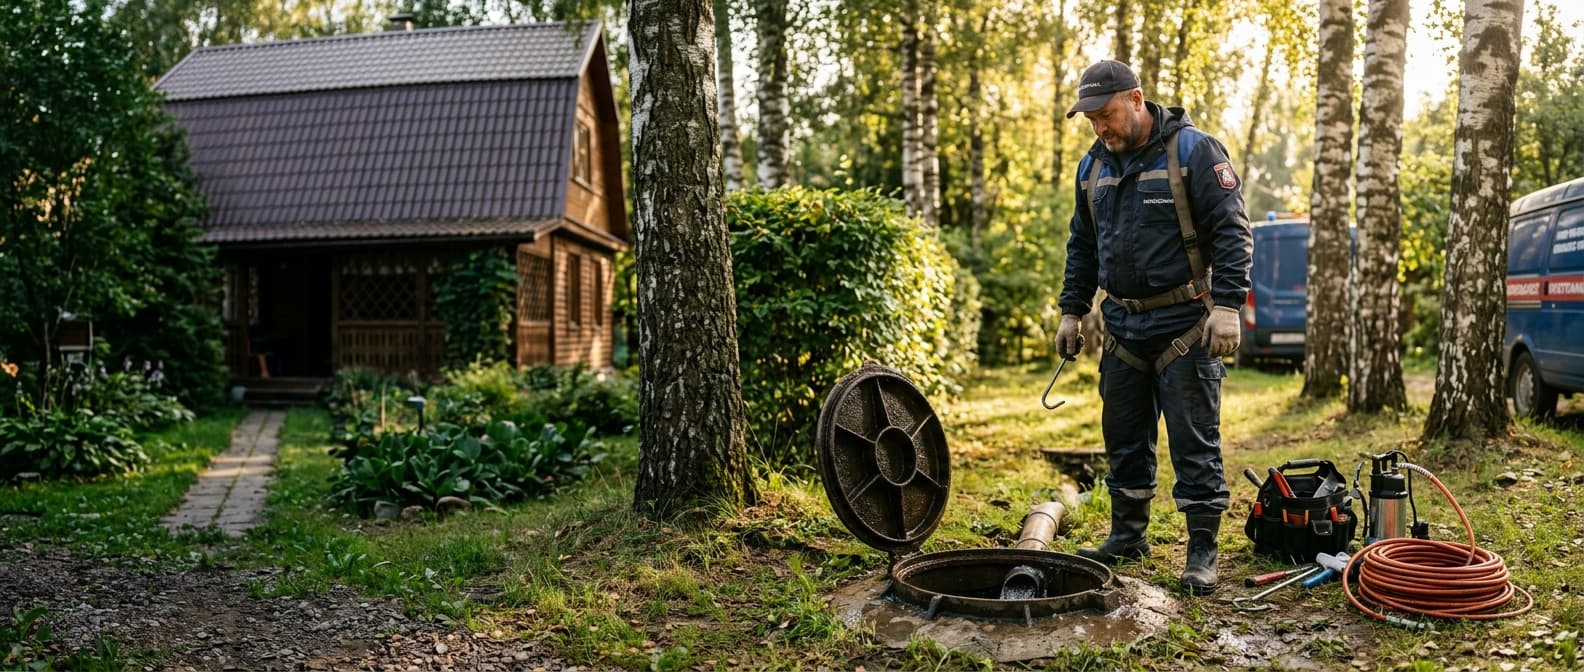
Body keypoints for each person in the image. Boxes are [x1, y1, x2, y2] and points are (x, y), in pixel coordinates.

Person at [1055, 59, 1252, 595]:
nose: (1099, 126)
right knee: (1122, 437)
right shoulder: (1091, 167)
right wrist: (1072, 309)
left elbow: (1233, 231)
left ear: (1136, 99)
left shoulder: (1194, 152)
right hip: (1120, 326)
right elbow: (1083, 245)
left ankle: (1203, 550)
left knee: (1194, 442)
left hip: (1185, 325)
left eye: (1106, 113)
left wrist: (1228, 305)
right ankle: (1128, 535)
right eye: (1090, 118)